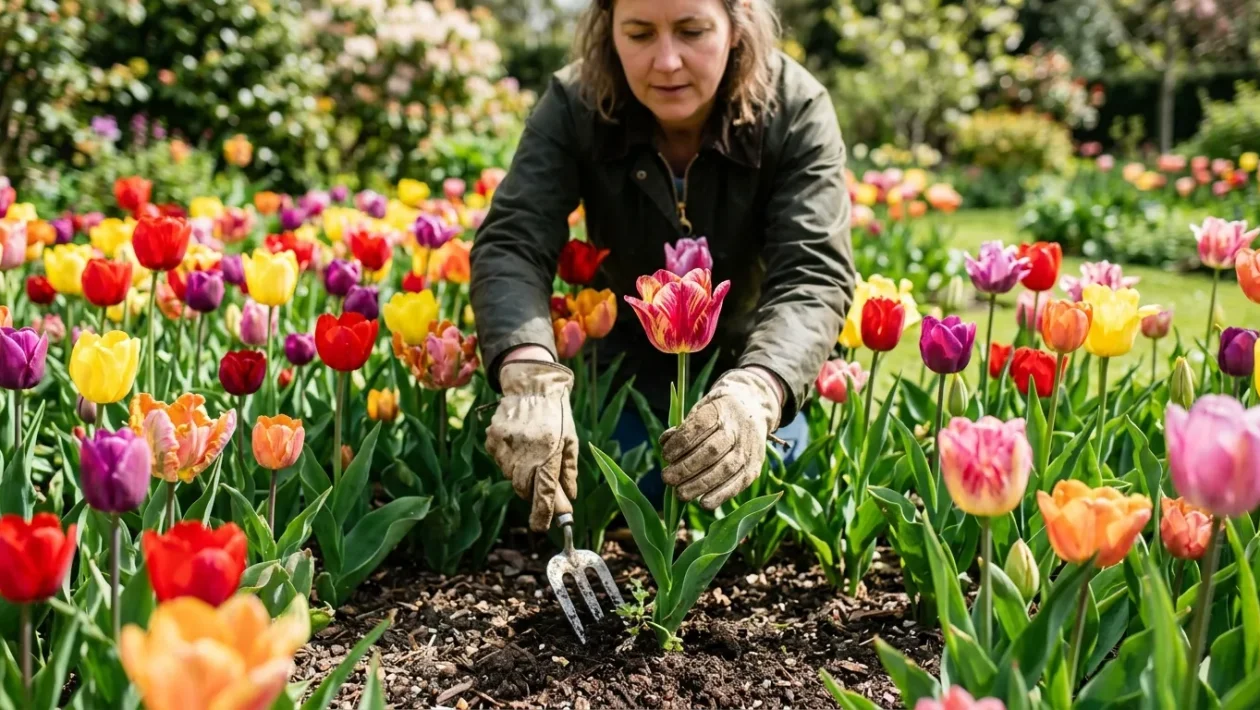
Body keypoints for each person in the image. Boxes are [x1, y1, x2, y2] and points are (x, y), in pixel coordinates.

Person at [471, 0, 854, 532]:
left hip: (745, 366)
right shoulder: (577, 102)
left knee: (769, 489)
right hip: (621, 377)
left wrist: (760, 390)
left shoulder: (793, 108)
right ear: (609, 28)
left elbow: (813, 271)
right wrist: (529, 371)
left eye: (692, 31)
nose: (667, 61)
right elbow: (513, 241)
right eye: (639, 34)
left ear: (738, 21)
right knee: (598, 480)